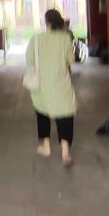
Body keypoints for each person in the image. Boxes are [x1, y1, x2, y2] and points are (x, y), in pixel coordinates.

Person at [26, 9, 78, 166]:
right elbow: (71, 60)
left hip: (42, 84)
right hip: (61, 83)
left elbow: (29, 60)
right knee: (65, 114)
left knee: (42, 112)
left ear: (46, 22)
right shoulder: (65, 38)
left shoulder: (36, 39)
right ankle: (65, 152)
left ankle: (46, 146)